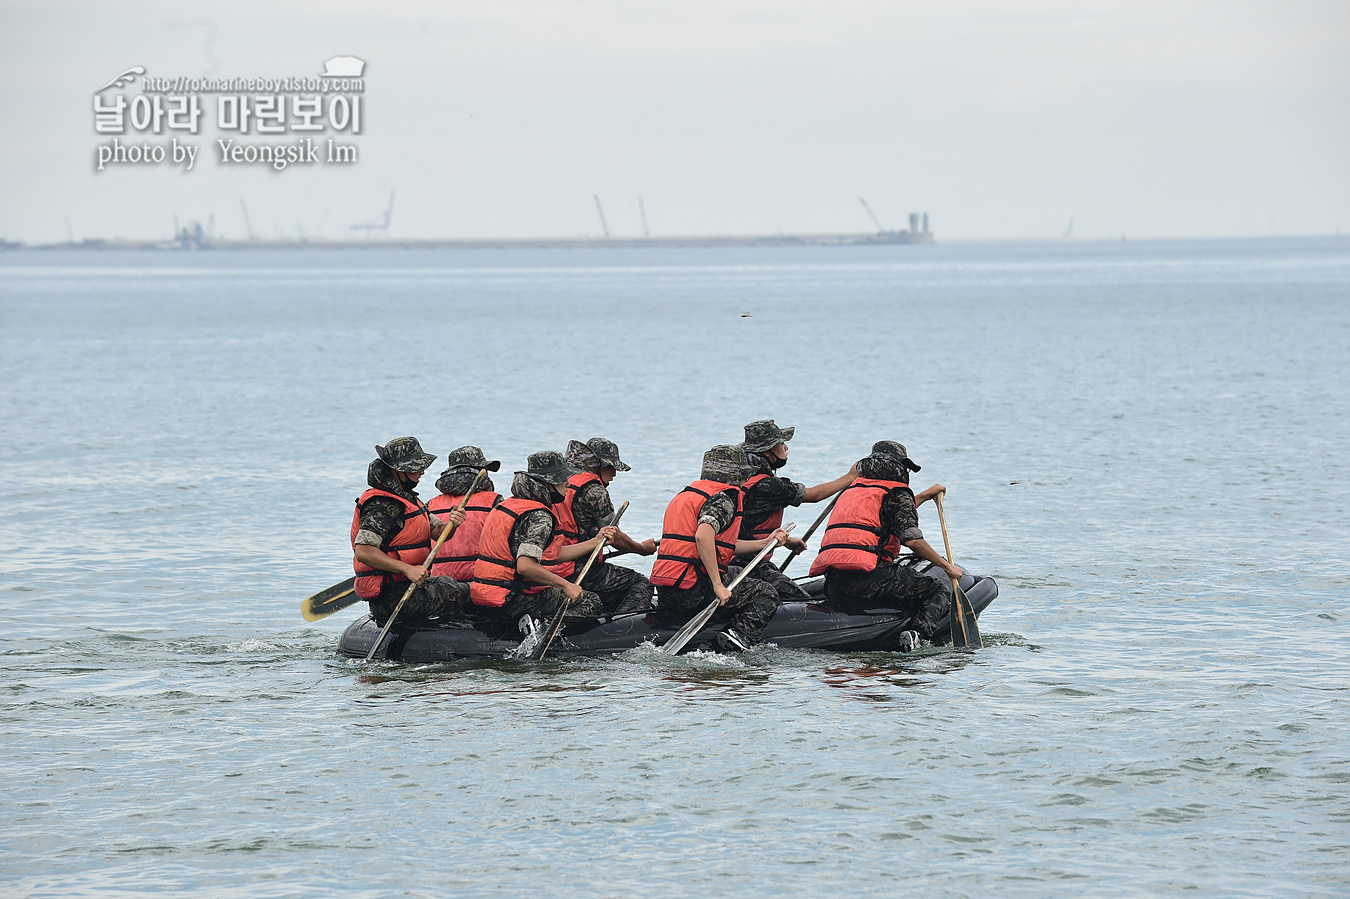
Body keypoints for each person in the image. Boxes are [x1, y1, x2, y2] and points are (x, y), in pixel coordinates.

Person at [808, 440, 962, 651]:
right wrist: (947, 567)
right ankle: (917, 635)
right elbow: (912, 540)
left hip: (834, 580)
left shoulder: (852, 490)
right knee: (937, 589)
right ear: (900, 466)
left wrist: (925, 496)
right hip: (869, 577)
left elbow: (885, 517)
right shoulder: (897, 492)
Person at [649, 444, 788, 652]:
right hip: (696, 588)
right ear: (733, 474)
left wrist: (765, 543)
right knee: (766, 592)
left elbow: (721, 545)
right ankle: (740, 635)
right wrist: (717, 585)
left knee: (739, 573)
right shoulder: (723, 498)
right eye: (743, 475)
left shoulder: (686, 494)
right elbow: (703, 536)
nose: (744, 481)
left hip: (667, 589)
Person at [469, 451, 618, 631]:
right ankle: (541, 628)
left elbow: (552, 555)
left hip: (484, 595)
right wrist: (565, 585)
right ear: (548, 482)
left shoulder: (508, 504)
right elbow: (525, 566)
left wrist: (595, 542)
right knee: (591, 601)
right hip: (513, 598)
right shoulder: (539, 515)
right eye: (563, 478)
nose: (568, 483)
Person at [350, 437, 468, 626]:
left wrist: (453, 523)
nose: (422, 471)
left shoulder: (407, 499)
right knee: (466, 593)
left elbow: (438, 531)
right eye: (416, 467)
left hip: (407, 588)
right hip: (393, 597)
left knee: (449, 582)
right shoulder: (382, 505)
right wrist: (407, 569)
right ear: (398, 470)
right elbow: (364, 551)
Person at [735, 419, 858, 599]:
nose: (786, 448)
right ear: (766, 451)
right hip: (746, 565)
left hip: (733, 558)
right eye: (781, 443)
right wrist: (850, 476)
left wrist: (787, 541)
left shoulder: (740, 477)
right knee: (802, 602)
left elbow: (745, 526)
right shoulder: (769, 486)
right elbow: (815, 495)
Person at [560, 437, 657, 616]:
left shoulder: (560, 483)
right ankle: (623, 630)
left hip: (554, 567)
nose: (614, 474)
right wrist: (641, 549)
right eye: (611, 467)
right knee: (641, 583)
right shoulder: (595, 491)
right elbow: (614, 536)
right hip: (580, 571)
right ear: (598, 465)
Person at [426, 446, 503, 588]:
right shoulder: (494, 501)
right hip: (481, 585)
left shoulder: (430, 505)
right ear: (479, 472)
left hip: (439, 586)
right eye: (485, 469)